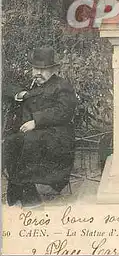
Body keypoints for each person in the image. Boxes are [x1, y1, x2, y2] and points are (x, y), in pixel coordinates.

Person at [3, 47, 77, 207]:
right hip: (35, 133)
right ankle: (23, 192)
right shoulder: (32, 84)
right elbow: (6, 87)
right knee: (10, 142)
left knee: (26, 142)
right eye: (36, 68)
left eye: (44, 70)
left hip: (56, 136)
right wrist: (19, 94)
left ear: (54, 70)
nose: (38, 73)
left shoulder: (62, 86)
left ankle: (25, 196)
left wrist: (36, 121)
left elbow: (63, 111)